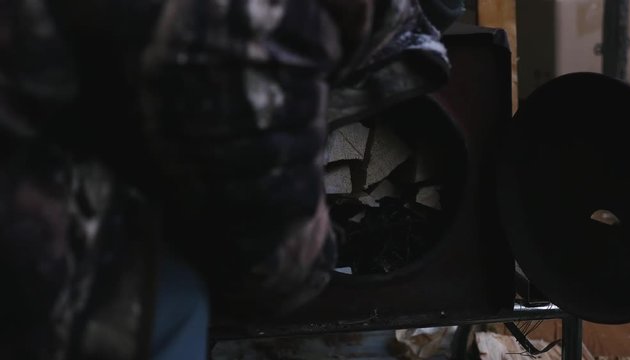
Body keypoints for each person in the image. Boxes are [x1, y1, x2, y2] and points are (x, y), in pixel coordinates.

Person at [0, 0, 463, 359]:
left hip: (39, 134)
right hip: (23, 211)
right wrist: (325, 247)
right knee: (170, 299)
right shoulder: (275, 21)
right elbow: (273, 268)